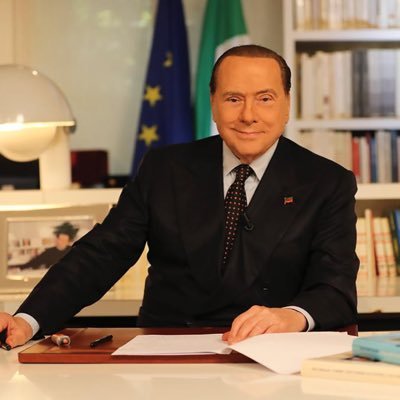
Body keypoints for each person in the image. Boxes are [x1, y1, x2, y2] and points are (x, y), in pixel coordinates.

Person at [0, 45, 359, 349]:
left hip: (272, 353)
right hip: (167, 347)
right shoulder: (164, 168)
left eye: (265, 99)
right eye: (233, 99)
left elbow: (335, 287)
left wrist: (291, 317)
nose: (248, 116)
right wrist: (28, 320)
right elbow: (102, 254)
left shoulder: (327, 182)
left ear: (287, 105)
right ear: (213, 104)